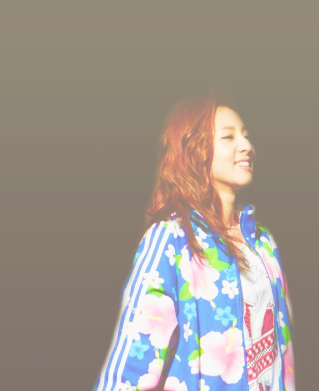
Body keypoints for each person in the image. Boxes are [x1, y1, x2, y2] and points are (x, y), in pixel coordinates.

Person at [93, 88, 295, 391]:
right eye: (228, 137)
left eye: (246, 136)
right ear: (195, 150)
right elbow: (133, 358)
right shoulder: (172, 238)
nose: (247, 146)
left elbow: (281, 354)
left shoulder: (263, 243)